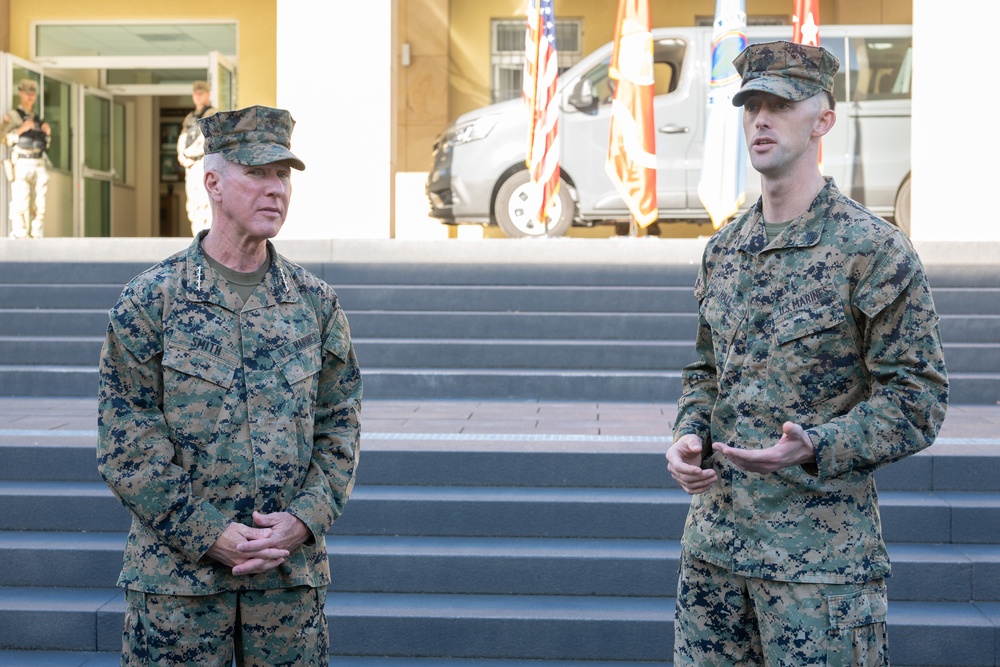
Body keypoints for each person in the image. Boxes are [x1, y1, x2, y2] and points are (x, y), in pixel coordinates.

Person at [666, 41, 948, 665]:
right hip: (714, 557)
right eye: (752, 106)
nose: (761, 120)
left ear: (824, 119)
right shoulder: (725, 250)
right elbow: (706, 371)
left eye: (781, 104)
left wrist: (817, 444)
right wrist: (688, 436)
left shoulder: (873, 251)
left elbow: (918, 400)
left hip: (819, 573)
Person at [98, 104, 362, 666]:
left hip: (286, 590)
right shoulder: (152, 301)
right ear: (213, 183)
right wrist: (208, 533)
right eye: (258, 173)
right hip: (178, 591)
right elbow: (127, 449)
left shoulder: (314, 304)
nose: (276, 190)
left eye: (283, 175)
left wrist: (302, 522)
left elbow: (339, 429)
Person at [1, 78, 50, 239]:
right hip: (22, 162)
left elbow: (45, 144)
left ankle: (37, 233)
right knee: (20, 200)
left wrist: (47, 133)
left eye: (33, 93)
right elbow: (3, 138)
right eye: (27, 93)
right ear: (20, 93)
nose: (30, 97)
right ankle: (19, 234)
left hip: (39, 162)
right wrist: (21, 129)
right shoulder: (13, 116)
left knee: (40, 202)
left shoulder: (37, 119)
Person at [176, 80, 217, 235]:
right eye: (196, 94)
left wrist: (188, 153)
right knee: (192, 202)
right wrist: (181, 153)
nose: (198, 97)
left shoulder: (212, 114)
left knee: (204, 200)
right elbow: (183, 136)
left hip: (202, 161)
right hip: (190, 164)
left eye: (202, 93)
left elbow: (205, 138)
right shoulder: (190, 116)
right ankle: (196, 235)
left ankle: (205, 235)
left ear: (208, 94)